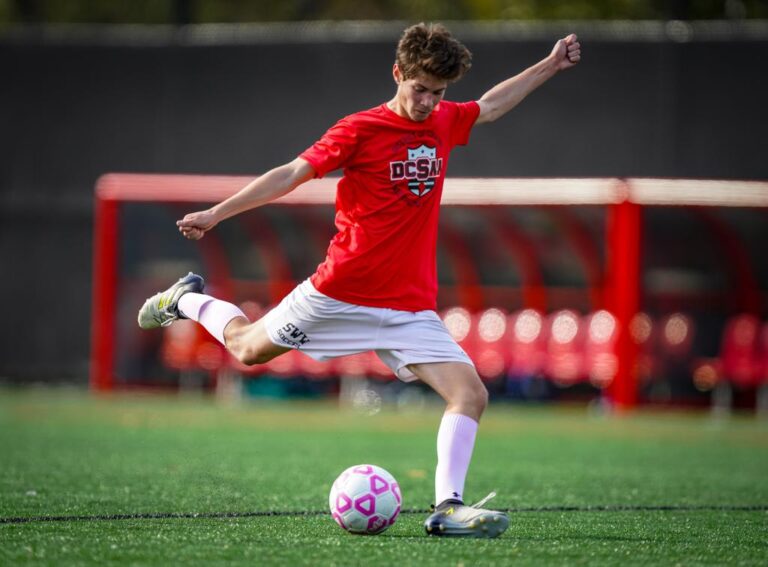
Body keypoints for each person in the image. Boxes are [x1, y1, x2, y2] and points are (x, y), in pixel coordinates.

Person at [138, 22, 580, 538]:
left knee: (470, 394)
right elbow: (290, 173)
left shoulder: (442, 121)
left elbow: (491, 106)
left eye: (438, 94)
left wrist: (551, 64)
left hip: (408, 307)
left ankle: (447, 508)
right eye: (419, 90)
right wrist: (218, 213)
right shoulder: (359, 130)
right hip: (338, 293)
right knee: (246, 349)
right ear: (397, 74)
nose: (428, 103)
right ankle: (187, 300)